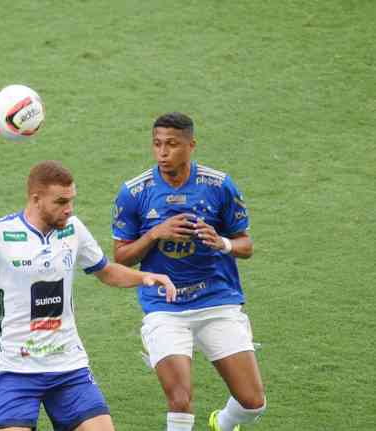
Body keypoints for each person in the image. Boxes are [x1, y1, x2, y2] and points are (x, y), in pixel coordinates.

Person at [0, 160, 177, 431]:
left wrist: (145, 278)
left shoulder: (73, 229)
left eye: (71, 200)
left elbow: (105, 271)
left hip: (68, 365)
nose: (68, 209)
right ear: (36, 199)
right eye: (60, 202)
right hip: (12, 368)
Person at [111, 112, 266, 431]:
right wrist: (155, 234)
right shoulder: (134, 193)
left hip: (217, 302)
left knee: (253, 403)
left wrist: (221, 242)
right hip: (164, 307)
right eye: (157, 144)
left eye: (172, 144)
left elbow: (246, 245)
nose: (163, 152)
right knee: (180, 400)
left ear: (191, 145)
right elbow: (121, 257)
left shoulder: (219, 186)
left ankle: (221, 424)